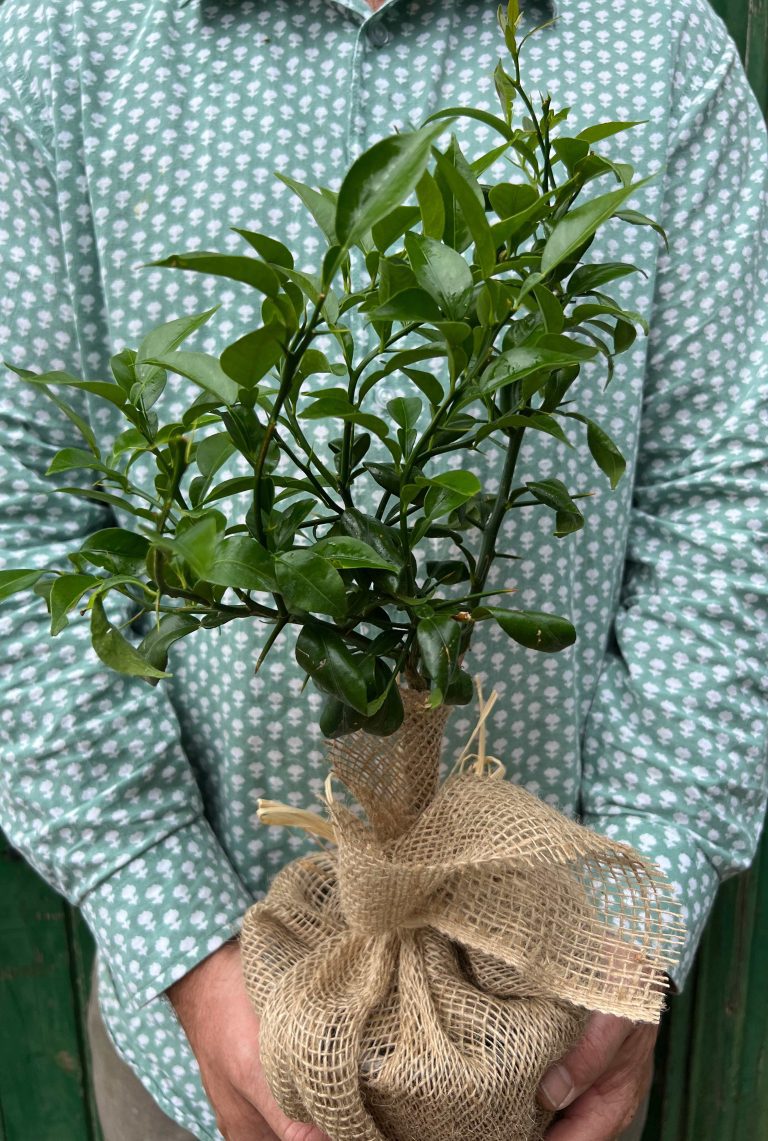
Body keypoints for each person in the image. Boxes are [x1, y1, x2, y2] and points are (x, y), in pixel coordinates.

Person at [0, 0, 766, 1139]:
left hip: (538, 1037)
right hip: (198, 1033)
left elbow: (731, 497)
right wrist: (187, 952)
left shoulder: (655, 40)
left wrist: (622, 949)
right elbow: (24, 509)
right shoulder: (64, 36)